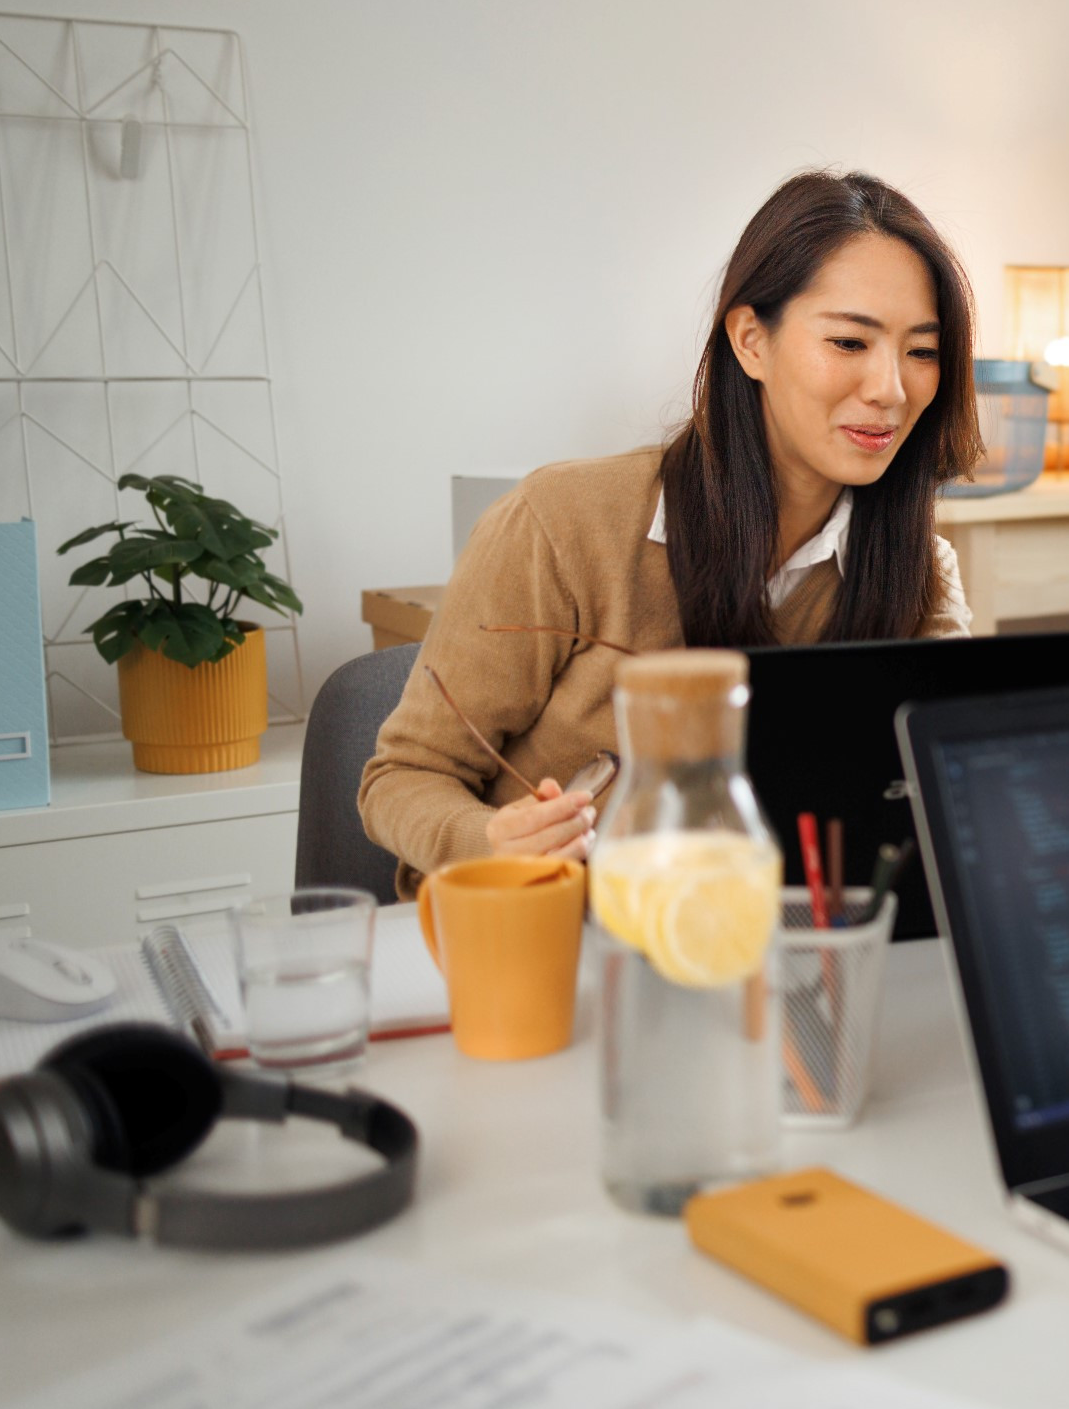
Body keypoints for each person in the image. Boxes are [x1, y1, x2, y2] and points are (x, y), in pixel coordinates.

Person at [361, 171, 980, 894]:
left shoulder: (918, 569)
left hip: (777, 941)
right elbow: (403, 778)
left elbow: (950, 784)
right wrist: (491, 841)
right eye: (849, 341)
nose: (890, 388)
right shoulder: (562, 522)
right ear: (751, 341)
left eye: (922, 352)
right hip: (557, 934)